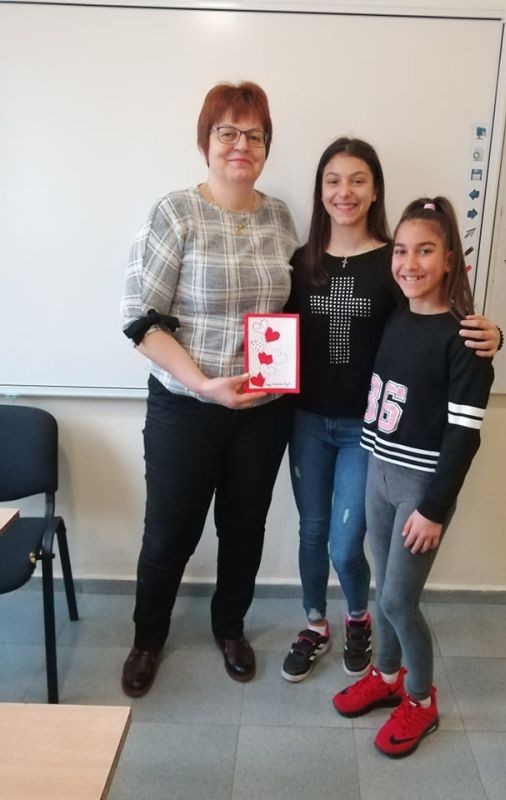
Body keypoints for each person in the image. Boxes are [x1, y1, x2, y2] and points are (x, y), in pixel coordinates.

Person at [281, 140, 500, 684]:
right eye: (333, 180)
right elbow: (274, 332)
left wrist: (495, 334)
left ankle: (359, 619)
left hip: (368, 432)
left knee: (345, 544)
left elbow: (436, 321)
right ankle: (315, 623)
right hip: (306, 422)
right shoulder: (301, 261)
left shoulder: (394, 262)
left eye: (358, 179)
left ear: (376, 189)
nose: (345, 191)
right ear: (320, 190)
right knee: (311, 534)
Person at [120, 81, 298, 697]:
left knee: (245, 529)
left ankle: (230, 628)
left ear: (267, 146)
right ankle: (148, 639)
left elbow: (291, 308)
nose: (241, 145)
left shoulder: (280, 217)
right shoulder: (175, 213)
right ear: (207, 141)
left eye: (255, 135)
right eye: (228, 132)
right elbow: (140, 320)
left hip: (263, 411)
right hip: (186, 406)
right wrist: (203, 384)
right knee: (170, 532)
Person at [332, 197, 494, 759]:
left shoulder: (466, 338)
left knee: (401, 601)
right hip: (378, 470)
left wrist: (434, 509)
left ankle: (421, 700)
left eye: (425, 250)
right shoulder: (396, 318)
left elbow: (465, 436)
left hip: (421, 489)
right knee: (384, 589)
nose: (409, 263)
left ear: (450, 260)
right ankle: (387, 675)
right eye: (401, 251)